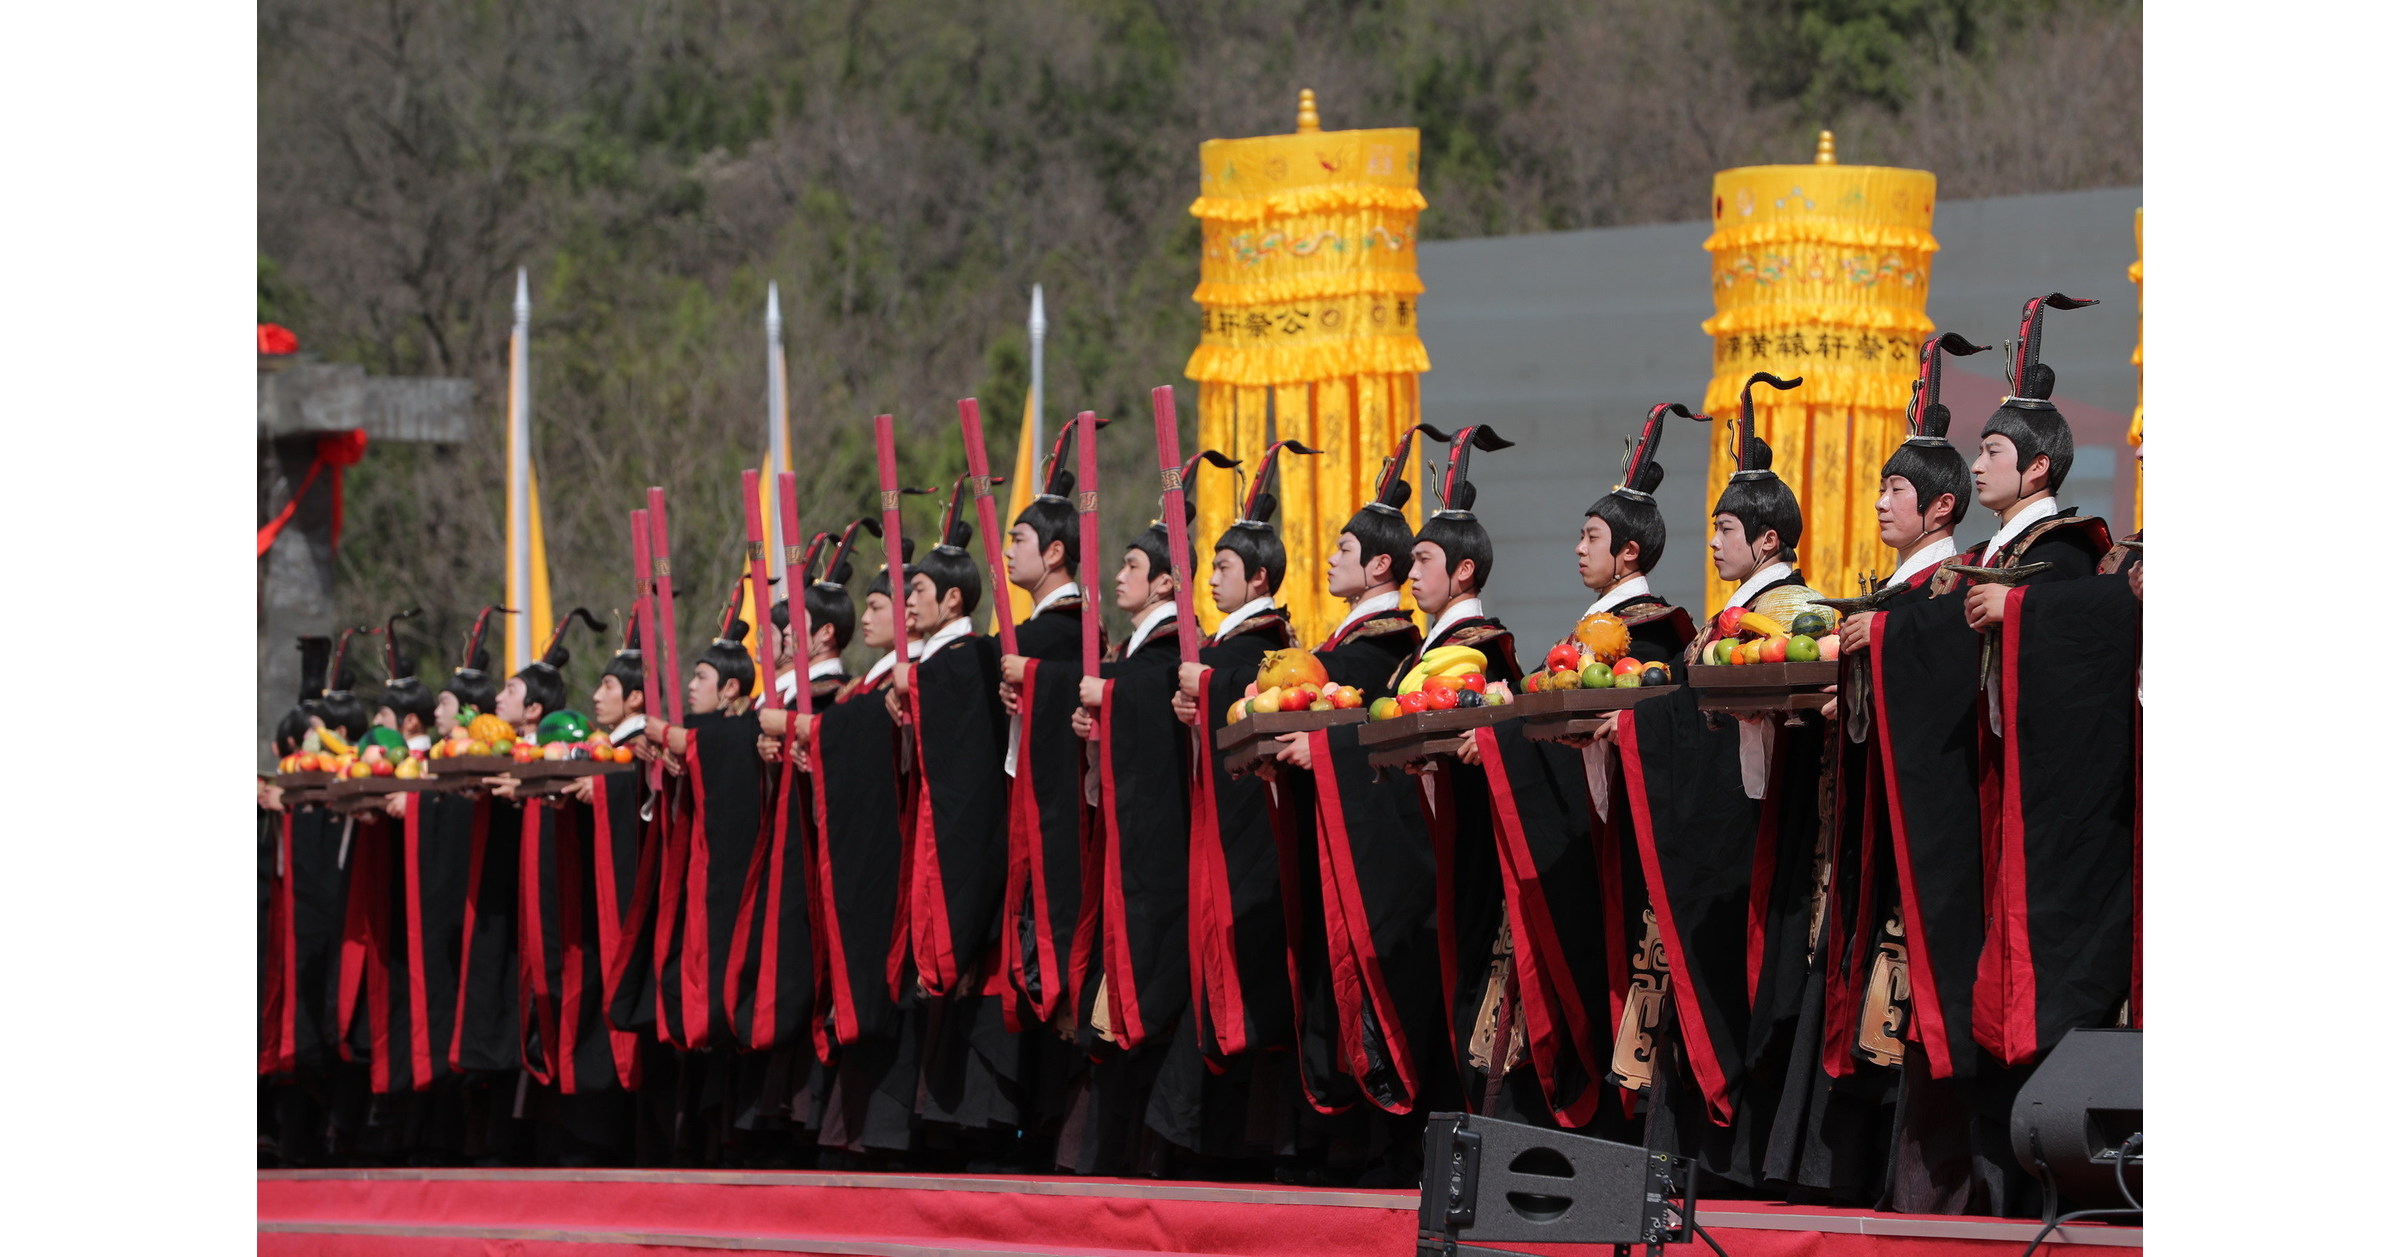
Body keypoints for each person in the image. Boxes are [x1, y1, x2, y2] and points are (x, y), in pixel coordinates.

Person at [1469, 404, 1699, 1136]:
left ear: (1629, 554)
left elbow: (1647, 727)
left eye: (1591, 537)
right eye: (1578, 534)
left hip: (1631, 845)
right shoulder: (1589, 635)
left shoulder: (1654, 636)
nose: (1577, 548)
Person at [891, 474, 1025, 1161]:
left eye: (913, 591)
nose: (902, 602)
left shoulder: (966, 665)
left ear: (952, 597)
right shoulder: (932, 667)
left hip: (967, 875)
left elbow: (969, 801)